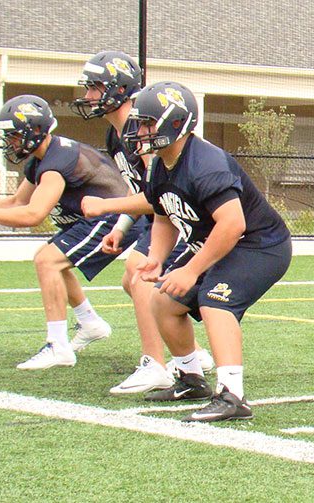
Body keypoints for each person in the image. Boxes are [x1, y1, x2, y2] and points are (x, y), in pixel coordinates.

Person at [125, 81, 292, 422]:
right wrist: (157, 256)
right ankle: (190, 378)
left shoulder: (206, 163)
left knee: (215, 299)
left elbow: (232, 225)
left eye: (148, 123)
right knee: (162, 300)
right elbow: (163, 214)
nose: (141, 131)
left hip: (259, 246)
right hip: (222, 243)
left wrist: (189, 270)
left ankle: (233, 395)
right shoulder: (161, 164)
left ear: (174, 122)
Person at [0, 95, 142, 369]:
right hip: (95, 217)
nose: (11, 142)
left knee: (48, 260)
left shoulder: (56, 161)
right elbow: (18, 202)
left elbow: (32, 215)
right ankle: (89, 323)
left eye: (14, 135)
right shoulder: (41, 159)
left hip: (113, 217)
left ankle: (58, 346)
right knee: (50, 259)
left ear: (35, 130)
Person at [72, 50, 212, 394]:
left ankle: (156, 365)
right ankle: (191, 352)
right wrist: (121, 228)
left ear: (118, 89)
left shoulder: (146, 130)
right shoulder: (117, 135)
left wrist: (106, 206)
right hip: (166, 213)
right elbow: (147, 191)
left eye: (95, 86)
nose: (89, 95)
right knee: (130, 280)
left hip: (187, 214)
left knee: (140, 276)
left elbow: (161, 194)